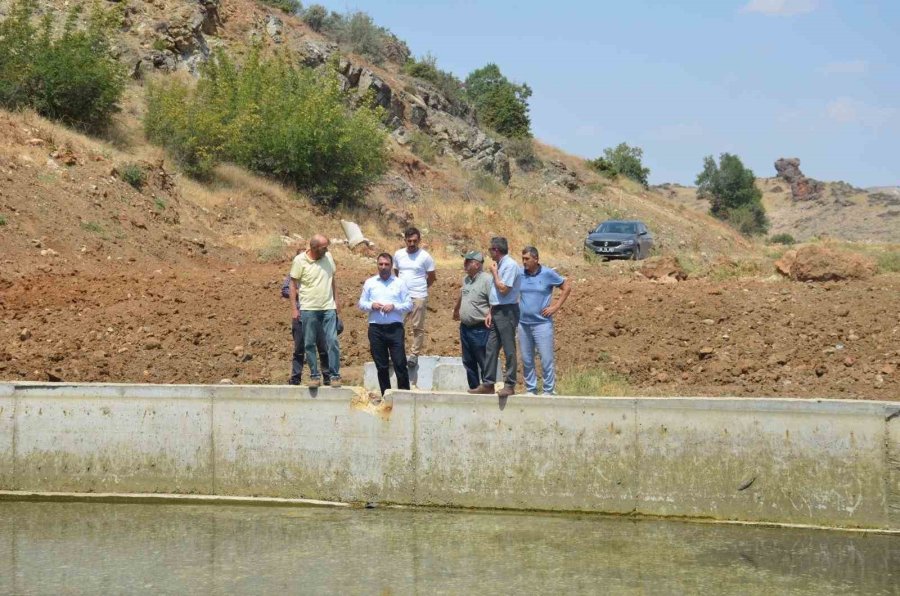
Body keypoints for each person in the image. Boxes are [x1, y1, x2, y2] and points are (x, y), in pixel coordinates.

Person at [469, 237, 521, 398]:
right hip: (497, 309)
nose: (489, 253)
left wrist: (494, 273)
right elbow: (496, 293)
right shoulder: (499, 265)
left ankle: (510, 384)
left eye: (491, 250)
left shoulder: (510, 265)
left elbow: (504, 289)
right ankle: (488, 383)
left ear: (496, 250)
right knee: (491, 347)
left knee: (508, 348)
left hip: (507, 311)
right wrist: (491, 311)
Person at [518, 246, 572, 396]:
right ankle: (531, 389)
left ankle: (549, 389)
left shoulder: (548, 274)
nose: (524, 262)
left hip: (542, 323)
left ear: (536, 259)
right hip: (523, 324)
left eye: (527, 259)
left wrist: (555, 307)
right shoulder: (520, 274)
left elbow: (566, 287)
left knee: (546, 357)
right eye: (523, 259)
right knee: (527, 357)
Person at [289, 234, 341, 388]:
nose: (327, 250)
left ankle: (335, 375)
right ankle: (314, 375)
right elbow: (292, 285)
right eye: (324, 248)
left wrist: (337, 303)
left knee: (332, 341)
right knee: (309, 343)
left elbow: (333, 281)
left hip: (328, 308)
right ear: (314, 248)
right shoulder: (299, 261)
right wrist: (294, 309)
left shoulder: (328, 257)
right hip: (308, 309)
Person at [359, 253, 413, 395]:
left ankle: (404, 395)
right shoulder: (370, 282)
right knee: (381, 366)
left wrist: (394, 306)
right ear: (377, 265)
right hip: (376, 328)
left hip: (395, 328)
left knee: (400, 363)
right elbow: (361, 303)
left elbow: (408, 305)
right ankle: (386, 395)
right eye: (381, 264)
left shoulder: (400, 283)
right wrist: (372, 305)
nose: (383, 267)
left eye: (386, 264)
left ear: (391, 265)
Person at [392, 227, 436, 367]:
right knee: (397, 325)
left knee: (417, 327)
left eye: (415, 241)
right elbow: (396, 272)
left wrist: (421, 290)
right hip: (402, 297)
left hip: (419, 296)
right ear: (405, 240)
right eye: (409, 241)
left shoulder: (425, 257)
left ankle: (413, 355)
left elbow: (432, 277)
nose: (412, 244)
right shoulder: (398, 255)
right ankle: (396, 353)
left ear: (419, 241)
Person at [281, 269, 329, 386]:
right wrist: (300, 292)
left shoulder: (317, 273)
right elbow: (285, 290)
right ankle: (296, 377)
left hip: (317, 316)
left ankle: (327, 376)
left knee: (323, 347)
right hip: (300, 317)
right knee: (299, 349)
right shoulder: (293, 276)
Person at [452, 250, 492, 390]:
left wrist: (490, 313)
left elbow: (494, 300)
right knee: (468, 360)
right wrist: (457, 309)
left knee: (482, 358)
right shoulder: (466, 279)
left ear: (476, 264)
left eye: (467, 262)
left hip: (480, 328)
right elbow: (463, 294)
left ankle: (487, 386)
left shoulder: (487, 280)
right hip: (465, 327)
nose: (465, 264)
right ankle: (474, 387)